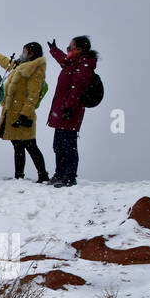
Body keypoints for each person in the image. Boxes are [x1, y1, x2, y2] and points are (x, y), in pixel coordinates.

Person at [0, 42, 49, 182]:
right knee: (18, 145)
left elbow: (33, 95)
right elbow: (7, 63)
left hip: (22, 113)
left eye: (24, 51)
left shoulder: (35, 69)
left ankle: (42, 175)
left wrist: (24, 115)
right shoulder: (21, 65)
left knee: (30, 145)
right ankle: (19, 176)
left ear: (31, 53)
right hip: (13, 112)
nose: (22, 53)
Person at [46, 36, 98, 187]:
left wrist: (69, 107)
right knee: (58, 145)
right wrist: (54, 50)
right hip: (61, 110)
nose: (68, 50)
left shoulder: (85, 65)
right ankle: (60, 173)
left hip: (70, 111)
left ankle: (69, 176)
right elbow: (64, 60)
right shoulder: (73, 63)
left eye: (70, 47)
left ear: (79, 50)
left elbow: (78, 88)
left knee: (68, 145)